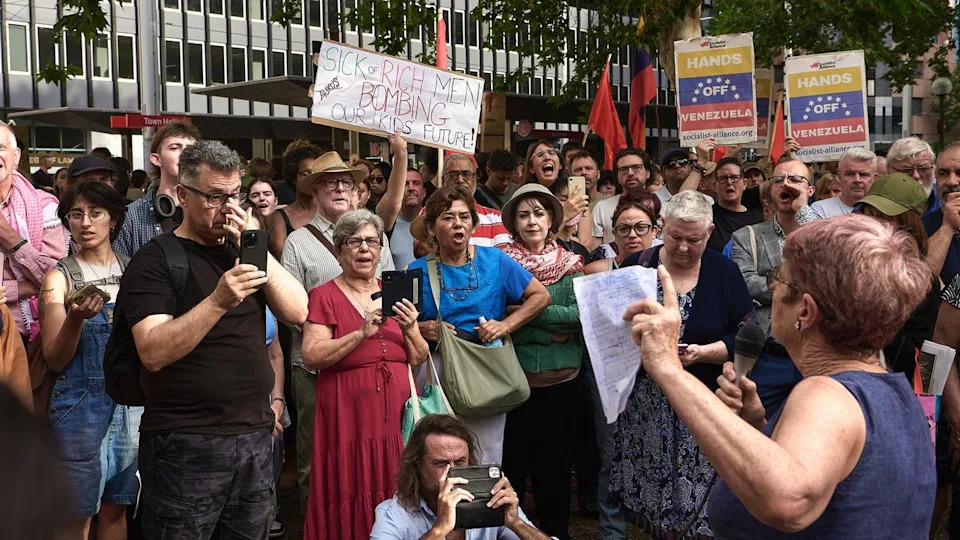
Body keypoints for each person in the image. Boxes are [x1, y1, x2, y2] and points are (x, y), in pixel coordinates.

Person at [622, 214, 937, 537]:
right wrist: (760, 428)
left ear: (805, 311)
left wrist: (667, 367)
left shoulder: (826, 395)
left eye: (780, 278)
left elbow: (789, 500)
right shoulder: (895, 393)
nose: (771, 286)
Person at [119, 140, 308, 538]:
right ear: (183, 196)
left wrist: (256, 248)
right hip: (186, 443)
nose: (228, 207)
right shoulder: (156, 259)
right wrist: (219, 299)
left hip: (254, 437)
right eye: (215, 196)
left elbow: (297, 312)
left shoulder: (243, 250)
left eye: (234, 195)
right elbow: (152, 351)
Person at [611, 190, 755, 537]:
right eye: (676, 237)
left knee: (702, 502)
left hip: (704, 403)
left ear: (709, 234)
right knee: (652, 499)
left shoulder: (724, 271)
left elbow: (750, 338)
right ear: (662, 228)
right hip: (646, 408)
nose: (684, 248)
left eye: (694, 240)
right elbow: (613, 333)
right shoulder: (637, 266)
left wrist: (706, 352)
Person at [299, 209, 428, 539]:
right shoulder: (323, 295)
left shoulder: (395, 290)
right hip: (348, 417)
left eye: (372, 241)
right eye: (354, 242)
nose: (365, 249)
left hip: (397, 416)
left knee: (396, 480)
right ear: (339, 250)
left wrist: (412, 328)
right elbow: (312, 355)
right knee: (350, 481)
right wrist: (359, 333)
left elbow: (417, 357)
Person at [282, 151, 396, 516]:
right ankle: (320, 524)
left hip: (374, 369)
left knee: (375, 458)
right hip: (315, 369)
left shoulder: (375, 234)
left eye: (346, 182)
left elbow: (387, 289)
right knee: (317, 458)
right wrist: (335, 325)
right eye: (330, 182)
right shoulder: (298, 241)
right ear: (315, 190)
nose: (339, 188)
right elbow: (289, 311)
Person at [409, 185, 551, 463]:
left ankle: (483, 506)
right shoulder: (415, 272)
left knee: (486, 451)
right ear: (431, 228)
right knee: (439, 450)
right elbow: (401, 323)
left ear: (473, 225)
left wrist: (506, 325)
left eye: (464, 217)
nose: (457, 224)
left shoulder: (495, 260)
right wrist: (420, 329)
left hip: (485, 366)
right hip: (437, 368)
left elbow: (540, 296)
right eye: (448, 218)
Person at [38, 181, 139, 540]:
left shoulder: (135, 270)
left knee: (116, 507)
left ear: (113, 219)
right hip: (78, 406)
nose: (85, 222)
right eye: (76, 214)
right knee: (75, 514)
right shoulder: (59, 278)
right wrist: (75, 320)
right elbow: (54, 359)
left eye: (95, 213)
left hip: (130, 407)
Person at [498, 184, 584, 540]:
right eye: (523, 215)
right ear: (514, 224)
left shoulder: (572, 264)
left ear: (551, 221)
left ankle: (554, 534)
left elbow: (580, 316)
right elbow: (497, 317)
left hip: (561, 385)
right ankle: (509, 534)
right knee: (512, 468)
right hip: (514, 385)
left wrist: (527, 313)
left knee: (555, 470)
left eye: (538, 213)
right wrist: (550, 331)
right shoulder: (500, 264)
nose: (531, 221)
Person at [371, 414, 552, 540]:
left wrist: (516, 523)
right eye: (441, 463)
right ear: (417, 466)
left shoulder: (493, 500)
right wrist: (440, 529)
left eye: (460, 461)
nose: (452, 472)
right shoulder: (392, 514)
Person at [729, 159, 815, 412]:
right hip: (769, 354)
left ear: (810, 190)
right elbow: (746, 283)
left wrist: (804, 213)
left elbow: (831, 269)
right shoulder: (746, 237)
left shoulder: (825, 232)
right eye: (779, 180)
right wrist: (798, 285)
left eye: (795, 180)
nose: (785, 184)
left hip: (814, 351)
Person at [855, 173, 941, 378]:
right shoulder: (849, 264)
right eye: (868, 215)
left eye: (883, 218)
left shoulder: (923, 281)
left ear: (907, 222)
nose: (872, 225)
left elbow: (912, 358)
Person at [0, 122, 66, 341]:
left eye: (0, 148)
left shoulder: (43, 207)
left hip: (30, 337)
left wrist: (9, 236)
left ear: (16, 156)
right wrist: (21, 288)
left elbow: (57, 276)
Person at [112, 120, 200, 258]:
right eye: (175, 147)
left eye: (190, 149)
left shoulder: (209, 210)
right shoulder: (132, 216)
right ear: (156, 159)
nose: (185, 154)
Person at [267, 140, 323, 259]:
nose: (311, 178)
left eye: (316, 173)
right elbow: (283, 256)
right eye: (306, 173)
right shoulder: (279, 217)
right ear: (293, 177)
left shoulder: (329, 212)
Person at [586, 191, 660, 273]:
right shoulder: (596, 271)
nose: (632, 235)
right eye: (624, 229)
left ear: (654, 231)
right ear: (614, 233)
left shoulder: (668, 268)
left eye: (640, 228)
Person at [591, 148, 651, 244]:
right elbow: (596, 249)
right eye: (624, 169)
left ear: (647, 173)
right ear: (617, 177)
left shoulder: (662, 206)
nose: (630, 173)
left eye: (636, 167)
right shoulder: (602, 208)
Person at [708, 157, 764, 253]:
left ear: (744, 184)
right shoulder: (706, 216)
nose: (729, 182)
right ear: (715, 185)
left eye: (734, 177)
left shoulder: (758, 219)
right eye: (723, 178)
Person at [923, 142, 960, 284]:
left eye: (959, 173)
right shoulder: (921, 226)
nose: (951, 182)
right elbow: (921, 281)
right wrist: (947, 228)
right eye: (943, 173)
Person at [809, 148, 877, 219]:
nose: (857, 180)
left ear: (875, 178)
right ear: (839, 177)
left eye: (863, 175)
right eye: (850, 174)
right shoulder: (820, 210)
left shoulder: (885, 212)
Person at [887, 136, 939, 217]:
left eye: (924, 168)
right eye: (906, 170)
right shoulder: (871, 210)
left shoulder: (945, 203)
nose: (916, 176)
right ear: (889, 172)